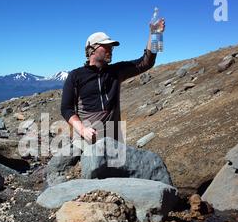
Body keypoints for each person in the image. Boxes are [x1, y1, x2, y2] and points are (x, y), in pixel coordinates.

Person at [61, 18, 166, 148]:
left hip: (115, 142)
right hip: (88, 143)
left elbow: (147, 62)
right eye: (106, 46)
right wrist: (82, 130)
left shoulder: (116, 71)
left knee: (118, 167)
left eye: (111, 46)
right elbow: (66, 109)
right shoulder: (75, 76)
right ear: (91, 49)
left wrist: (156, 34)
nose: (111, 49)